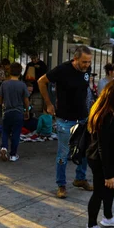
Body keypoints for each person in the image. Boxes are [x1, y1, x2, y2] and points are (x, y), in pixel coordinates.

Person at [38, 45, 94, 199]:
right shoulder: (62, 70)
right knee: (63, 154)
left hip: (82, 118)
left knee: (83, 150)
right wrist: (48, 103)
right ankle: (61, 185)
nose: (87, 65)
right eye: (84, 62)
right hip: (65, 120)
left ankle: (80, 179)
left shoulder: (86, 71)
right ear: (75, 59)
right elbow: (41, 81)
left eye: (89, 62)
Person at [84, 80, 114, 228]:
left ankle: (108, 217)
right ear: (113, 95)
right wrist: (108, 173)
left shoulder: (112, 110)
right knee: (100, 191)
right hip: (100, 159)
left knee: (113, 186)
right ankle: (91, 225)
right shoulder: (104, 115)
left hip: (108, 158)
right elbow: (103, 147)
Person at [0, 63, 30, 162]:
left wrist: (3, 104)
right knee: (16, 133)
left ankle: (4, 148)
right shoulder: (22, 85)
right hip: (18, 112)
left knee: (5, 131)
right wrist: (27, 110)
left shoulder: (4, 84)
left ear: (10, 71)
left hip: (7, 111)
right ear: (20, 72)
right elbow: (26, 100)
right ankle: (13, 155)